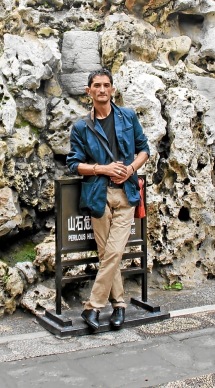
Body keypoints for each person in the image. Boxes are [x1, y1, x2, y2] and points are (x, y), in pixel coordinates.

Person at [66, 69, 150, 332]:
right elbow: (73, 164)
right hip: (98, 195)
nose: (102, 89)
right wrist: (102, 169)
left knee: (113, 252)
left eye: (106, 85)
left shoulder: (128, 116)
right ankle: (119, 306)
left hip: (126, 193)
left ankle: (93, 306)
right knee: (106, 254)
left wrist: (130, 168)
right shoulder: (81, 127)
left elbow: (144, 148)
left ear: (113, 90)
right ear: (88, 91)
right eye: (96, 85)